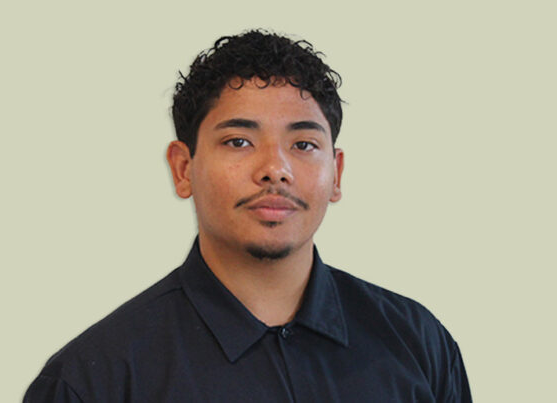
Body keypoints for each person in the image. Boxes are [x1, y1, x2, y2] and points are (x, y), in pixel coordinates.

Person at [24, 30, 472, 402]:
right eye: (239, 141)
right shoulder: (93, 381)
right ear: (183, 168)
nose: (275, 168)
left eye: (303, 144)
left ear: (336, 174)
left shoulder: (419, 345)